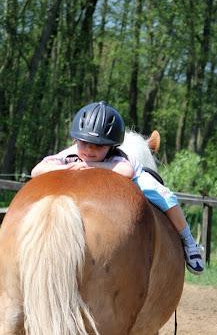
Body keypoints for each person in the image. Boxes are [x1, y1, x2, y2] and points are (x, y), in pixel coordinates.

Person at [31, 101, 204, 275]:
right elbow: (36, 170)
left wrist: (91, 165)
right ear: (76, 140)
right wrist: (65, 168)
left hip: (135, 175)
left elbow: (126, 171)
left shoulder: (117, 157)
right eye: (85, 143)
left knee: (166, 197)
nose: (90, 150)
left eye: (98, 145)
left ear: (112, 146)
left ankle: (189, 243)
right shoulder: (70, 153)